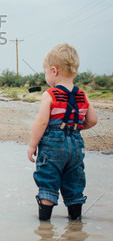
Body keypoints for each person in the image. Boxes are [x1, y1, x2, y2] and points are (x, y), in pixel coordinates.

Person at [27, 43, 98, 221]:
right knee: (74, 181)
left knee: (48, 179)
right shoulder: (82, 95)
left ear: (54, 71)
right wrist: (76, 128)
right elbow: (93, 120)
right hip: (76, 144)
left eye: (45, 73)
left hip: (53, 145)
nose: (46, 77)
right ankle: (76, 221)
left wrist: (32, 145)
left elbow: (42, 122)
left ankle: (44, 225)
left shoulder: (50, 94)